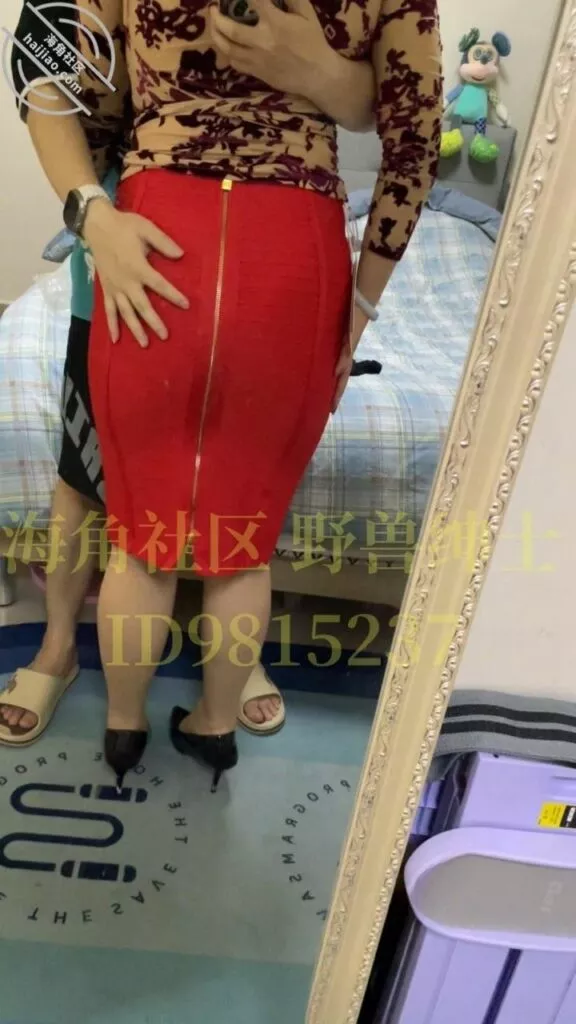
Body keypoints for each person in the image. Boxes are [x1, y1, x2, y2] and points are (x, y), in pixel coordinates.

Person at [0, 0, 379, 748]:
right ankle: (61, 647)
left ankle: (215, 671)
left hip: (249, 230)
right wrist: (90, 212)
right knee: (87, 472)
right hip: (118, 227)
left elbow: (383, 103)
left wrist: (314, 71)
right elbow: (37, 61)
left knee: (215, 509)